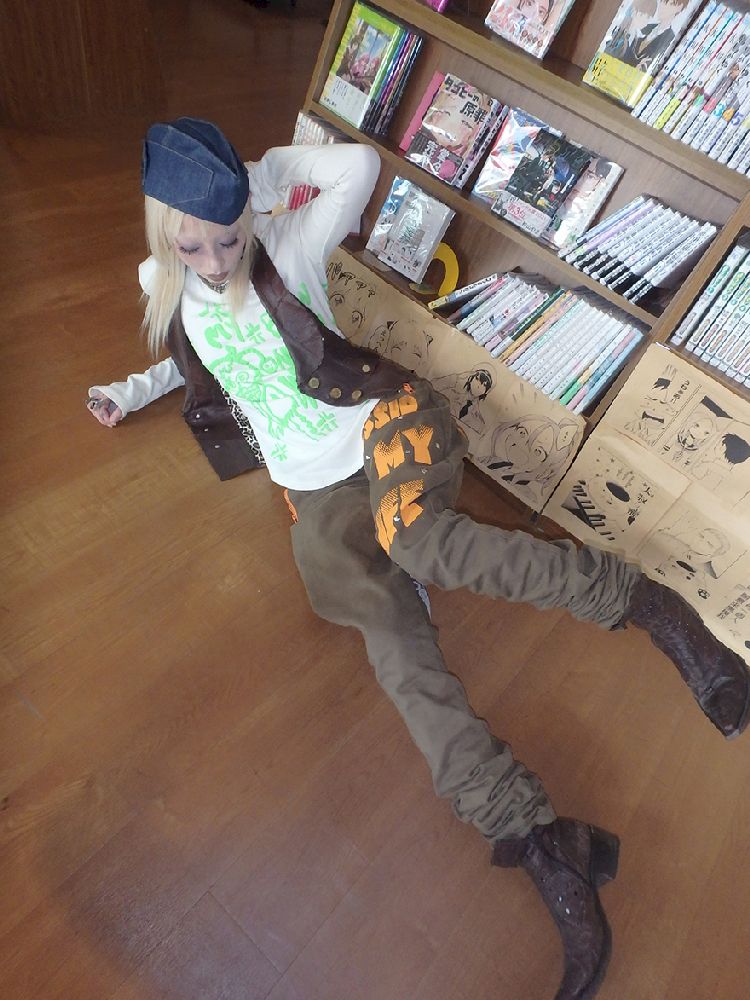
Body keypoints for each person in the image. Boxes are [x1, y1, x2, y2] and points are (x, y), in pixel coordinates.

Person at [87, 118, 750, 1000]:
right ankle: (543, 845)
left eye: (228, 238)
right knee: (393, 647)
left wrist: (252, 183)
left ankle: (644, 601)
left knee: (417, 539)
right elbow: (195, 351)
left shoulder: (289, 241)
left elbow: (358, 166)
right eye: (192, 244)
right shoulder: (165, 281)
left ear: (249, 217)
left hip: (382, 422)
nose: (214, 262)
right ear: (161, 234)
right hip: (315, 491)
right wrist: (129, 390)